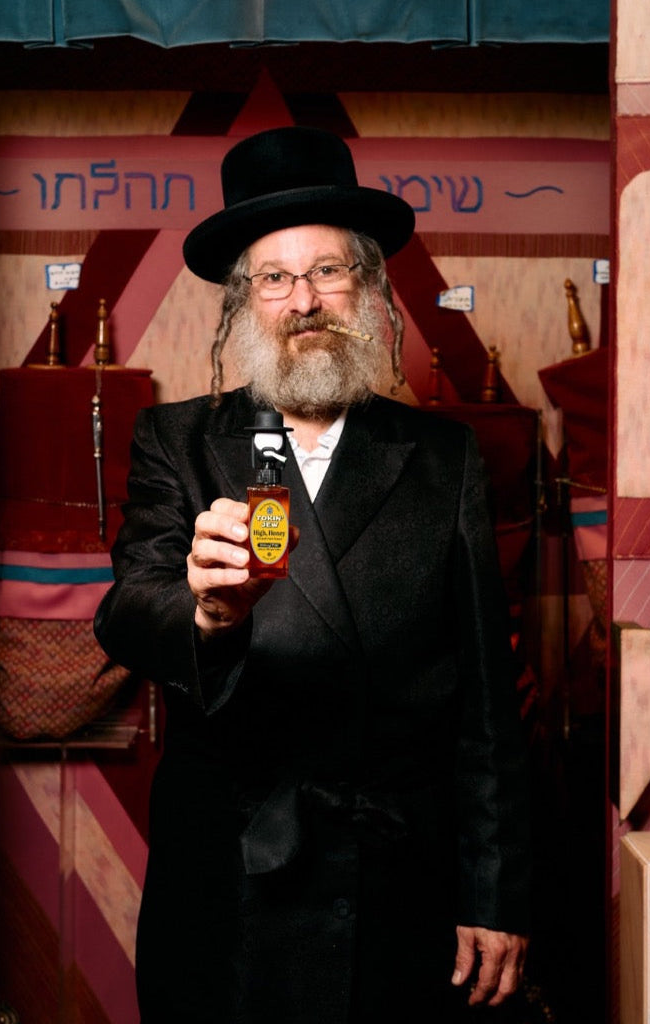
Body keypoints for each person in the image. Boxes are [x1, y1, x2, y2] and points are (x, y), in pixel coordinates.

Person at [94, 125, 531, 1023]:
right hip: (229, 869)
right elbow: (126, 611)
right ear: (240, 304)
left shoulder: (443, 457)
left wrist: (492, 895)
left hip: (393, 875)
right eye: (275, 278)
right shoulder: (177, 441)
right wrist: (209, 616)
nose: (304, 301)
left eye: (329, 272)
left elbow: (488, 703)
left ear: (368, 292)